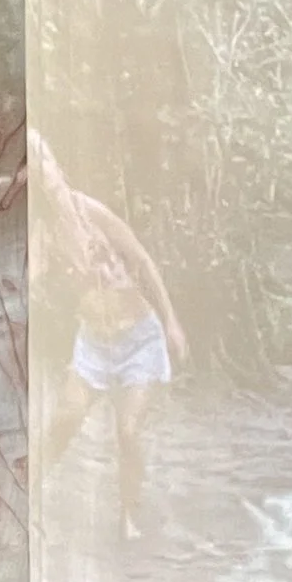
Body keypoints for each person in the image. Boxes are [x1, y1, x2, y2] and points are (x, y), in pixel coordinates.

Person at [29, 130, 186, 545]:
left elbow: (141, 260)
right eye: (31, 167)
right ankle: (24, 496)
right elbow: (30, 279)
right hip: (94, 344)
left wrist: (171, 321)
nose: (41, 173)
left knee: (128, 431)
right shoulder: (42, 233)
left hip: (139, 338)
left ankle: (128, 513)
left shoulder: (90, 209)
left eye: (42, 160)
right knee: (65, 419)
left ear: (57, 166)